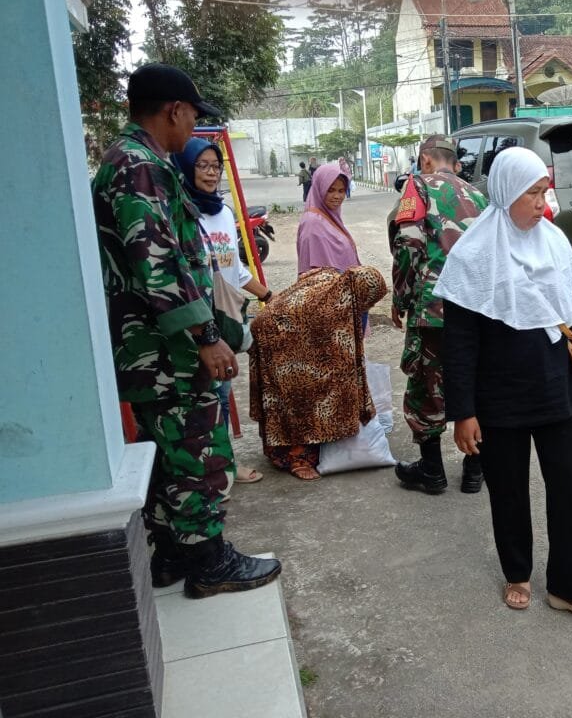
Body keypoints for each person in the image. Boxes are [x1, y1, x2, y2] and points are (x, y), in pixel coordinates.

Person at [91, 62, 281, 599]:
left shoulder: (132, 161)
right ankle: (208, 560)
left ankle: (172, 553)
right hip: (167, 351)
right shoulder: (140, 165)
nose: (194, 127)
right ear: (174, 110)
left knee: (166, 451)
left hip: (152, 348)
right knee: (196, 448)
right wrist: (205, 337)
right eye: (194, 116)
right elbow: (157, 264)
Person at [435, 146, 572, 621]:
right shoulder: (473, 257)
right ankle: (517, 572)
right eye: (532, 193)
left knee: (567, 489)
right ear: (505, 193)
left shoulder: (552, 241)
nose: (543, 203)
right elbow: (458, 344)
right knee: (509, 491)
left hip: (555, 387)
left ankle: (568, 586)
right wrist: (463, 412)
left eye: (544, 192)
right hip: (497, 399)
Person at [172, 136, 274, 486]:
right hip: (195, 320)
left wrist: (269, 295)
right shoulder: (179, 213)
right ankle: (214, 470)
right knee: (205, 394)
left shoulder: (223, 213)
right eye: (202, 165)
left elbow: (234, 269)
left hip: (226, 315)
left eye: (216, 166)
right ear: (185, 167)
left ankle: (222, 464)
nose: (211, 173)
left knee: (222, 389)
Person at [390, 135, 487, 494]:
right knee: (475, 381)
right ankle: (475, 471)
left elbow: (409, 245)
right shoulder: (478, 194)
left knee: (426, 385)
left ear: (425, 160)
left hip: (434, 307)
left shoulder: (417, 186)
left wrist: (400, 298)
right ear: (454, 162)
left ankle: (432, 472)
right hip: (477, 308)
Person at [248, 265, 387, 481]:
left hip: (276, 327)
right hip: (276, 338)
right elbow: (337, 362)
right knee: (302, 395)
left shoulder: (333, 279)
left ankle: (288, 449)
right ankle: (298, 458)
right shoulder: (330, 310)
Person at [296, 160, 359, 275]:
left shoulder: (329, 217)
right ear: (319, 189)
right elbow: (314, 276)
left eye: (341, 191)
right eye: (330, 190)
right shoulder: (313, 224)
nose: (337, 196)